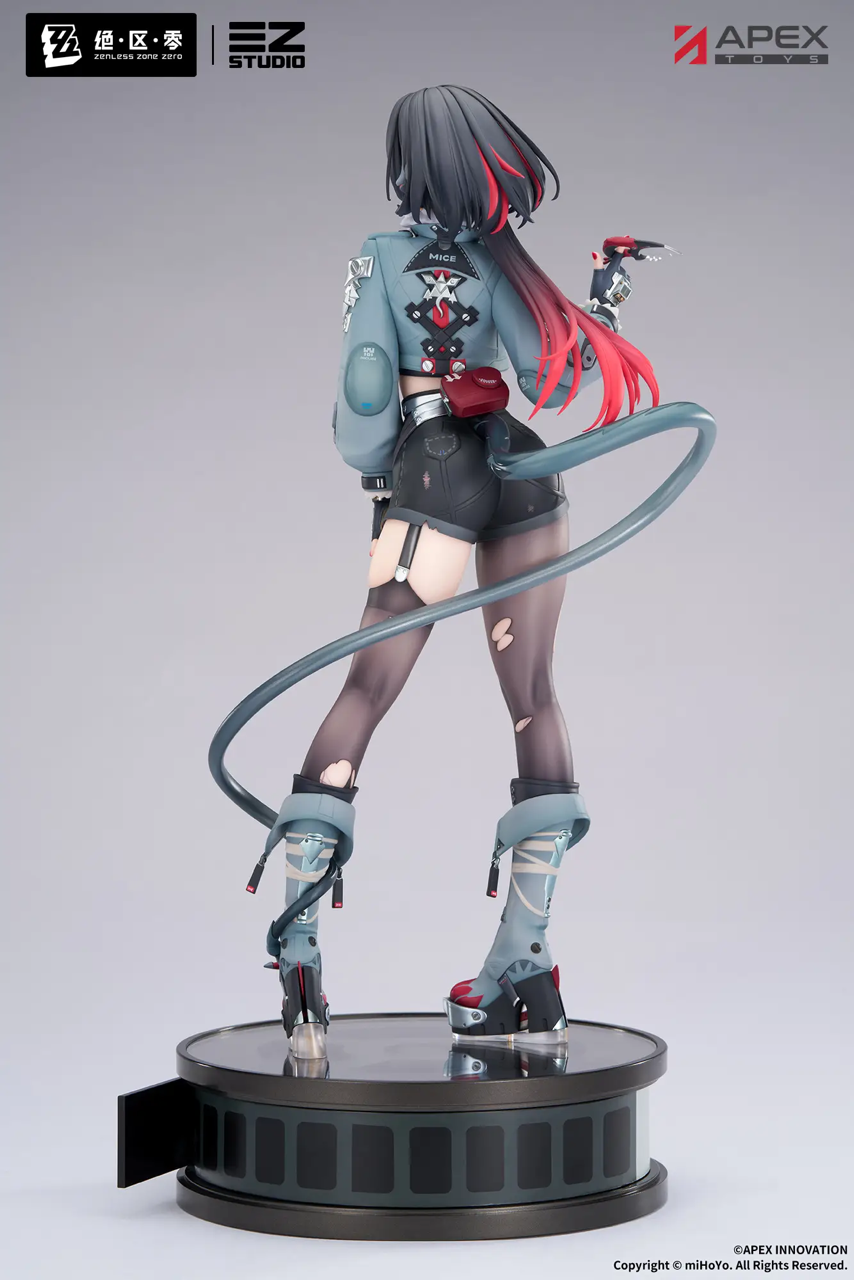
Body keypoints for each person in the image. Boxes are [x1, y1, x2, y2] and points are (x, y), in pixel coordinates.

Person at [266, 85, 658, 1058]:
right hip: (522, 471)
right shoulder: (497, 260)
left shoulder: (381, 254)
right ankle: (524, 966)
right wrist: (603, 296)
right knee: (534, 696)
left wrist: (378, 466)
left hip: (435, 468)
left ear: (409, 161)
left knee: (366, 688)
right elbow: (553, 377)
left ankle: (301, 954)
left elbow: (366, 387)